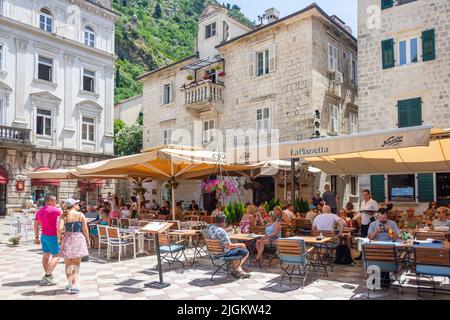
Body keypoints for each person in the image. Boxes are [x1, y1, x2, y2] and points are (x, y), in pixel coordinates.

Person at [58, 198, 90, 294]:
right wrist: (88, 239)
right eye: (77, 203)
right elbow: (85, 229)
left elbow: (59, 229)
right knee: (76, 264)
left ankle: (69, 283)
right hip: (78, 238)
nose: (78, 205)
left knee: (68, 263)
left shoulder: (64, 215)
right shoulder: (81, 215)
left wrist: (59, 239)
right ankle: (75, 285)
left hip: (67, 238)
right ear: (74, 205)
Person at [208, 214, 250, 278]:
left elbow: (217, 234)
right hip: (223, 254)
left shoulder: (210, 228)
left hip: (214, 253)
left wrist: (225, 230)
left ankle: (238, 270)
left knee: (236, 249)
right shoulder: (221, 231)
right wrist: (241, 244)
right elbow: (228, 246)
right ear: (224, 221)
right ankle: (236, 269)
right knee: (245, 251)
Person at [34, 194, 61, 286]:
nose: (56, 203)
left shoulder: (39, 212)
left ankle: (48, 277)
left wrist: (36, 237)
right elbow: (65, 216)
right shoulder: (55, 210)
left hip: (43, 236)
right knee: (56, 255)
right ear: (49, 201)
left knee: (46, 255)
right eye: (55, 201)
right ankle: (47, 275)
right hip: (52, 236)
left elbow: (36, 225)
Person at [353, 189, 379, 260]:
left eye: (366, 195)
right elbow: (360, 212)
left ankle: (369, 255)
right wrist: (353, 218)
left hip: (371, 222)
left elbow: (377, 213)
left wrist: (372, 214)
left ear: (369, 195)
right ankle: (361, 255)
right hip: (364, 223)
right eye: (363, 195)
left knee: (369, 238)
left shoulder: (373, 202)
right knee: (362, 239)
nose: (365, 196)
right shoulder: (362, 202)